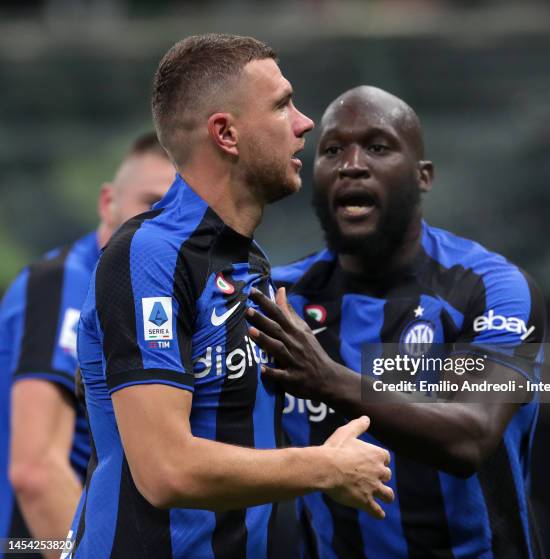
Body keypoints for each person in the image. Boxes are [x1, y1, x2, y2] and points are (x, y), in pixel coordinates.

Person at [67, 34, 393, 559]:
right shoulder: (149, 255)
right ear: (226, 133)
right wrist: (323, 467)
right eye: (283, 104)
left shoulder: (250, 264)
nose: (305, 123)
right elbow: (166, 471)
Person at [248, 85, 546, 558]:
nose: (352, 164)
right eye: (331, 150)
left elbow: (470, 436)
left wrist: (328, 380)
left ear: (422, 176)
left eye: (378, 147)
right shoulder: (279, 300)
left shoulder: (489, 290)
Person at [0, 132, 175, 559]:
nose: (160, 223)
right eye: (148, 203)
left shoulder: (148, 292)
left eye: (174, 210)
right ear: (106, 203)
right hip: (30, 545)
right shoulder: (66, 285)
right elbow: (37, 473)